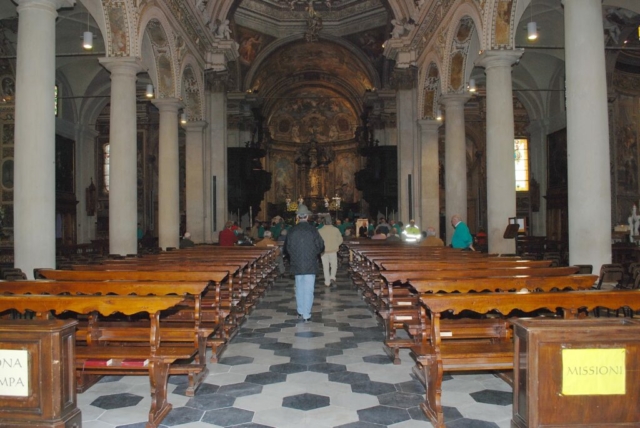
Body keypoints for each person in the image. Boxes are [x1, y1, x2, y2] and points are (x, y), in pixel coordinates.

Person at [283, 204, 324, 322]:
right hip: (310, 264)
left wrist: (294, 256)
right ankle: (306, 314)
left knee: (299, 288)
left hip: (297, 263)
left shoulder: (292, 230)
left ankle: (300, 311)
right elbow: (321, 246)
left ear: (298, 217)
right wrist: (314, 254)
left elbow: (286, 248)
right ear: (307, 216)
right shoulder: (313, 230)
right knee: (308, 290)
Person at [318, 217, 343, 287]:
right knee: (334, 265)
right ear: (331, 222)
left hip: (323, 251)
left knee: (325, 266)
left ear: (324, 222)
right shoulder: (336, 230)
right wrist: (336, 244)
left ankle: (327, 281)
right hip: (333, 250)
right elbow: (341, 240)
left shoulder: (320, 230)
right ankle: (332, 277)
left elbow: (318, 241)